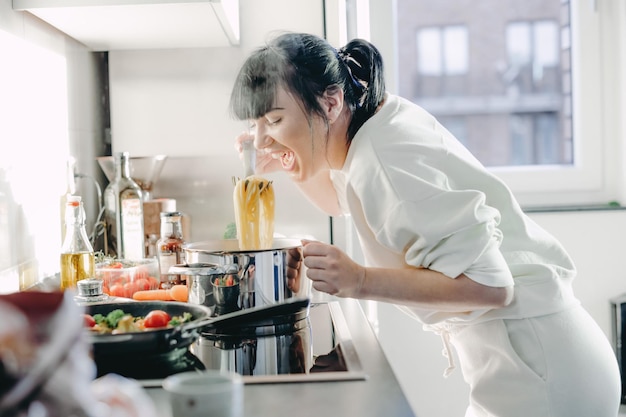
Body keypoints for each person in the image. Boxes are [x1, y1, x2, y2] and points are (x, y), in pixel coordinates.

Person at [229, 31, 621, 417]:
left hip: (544, 375)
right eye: (257, 123)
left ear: (330, 102)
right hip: (536, 358)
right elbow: (338, 198)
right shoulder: (367, 128)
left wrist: (360, 280)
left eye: (274, 119)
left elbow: (492, 285)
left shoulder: (383, 161)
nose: (260, 138)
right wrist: (288, 159)